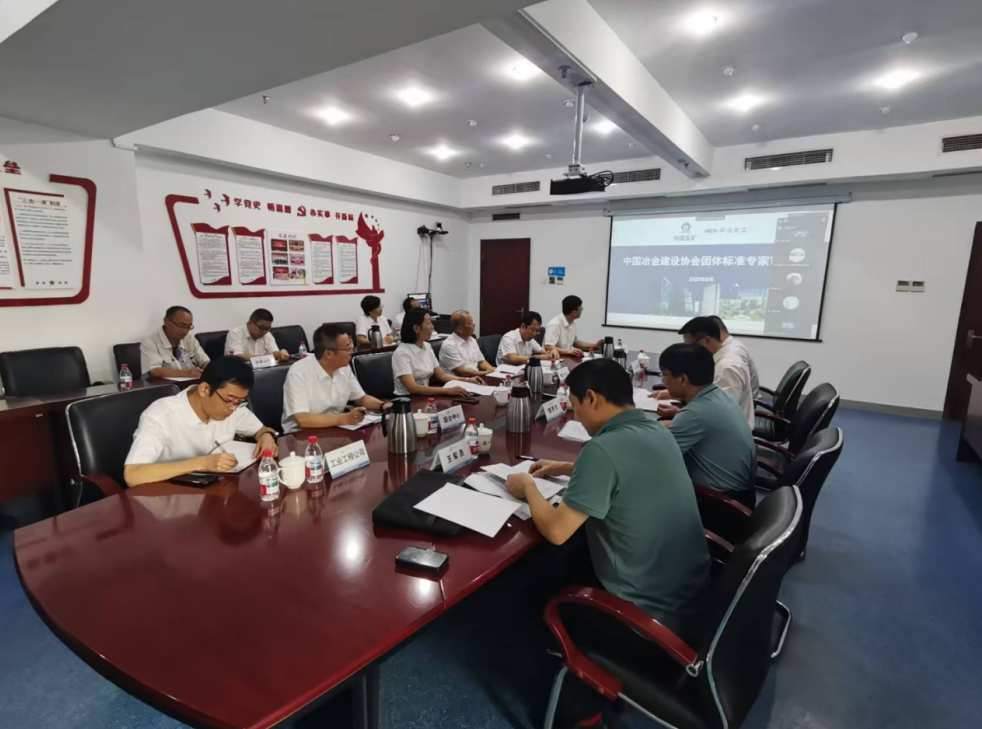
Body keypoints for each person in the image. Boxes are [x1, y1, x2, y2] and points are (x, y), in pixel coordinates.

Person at [505, 359, 709, 632]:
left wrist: (527, 486)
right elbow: (629, 471)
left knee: (548, 558)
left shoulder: (602, 449)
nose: (577, 417)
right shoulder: (659, 431)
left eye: (575, 407)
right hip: (691, 598)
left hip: (643, 615)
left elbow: (556, 531)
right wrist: (566, 467)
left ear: (591, 398)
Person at [123, 357, 278, 487]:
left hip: (214, 492)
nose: (232, 408)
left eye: (239, 402)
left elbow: (261, 430)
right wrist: (202, 463)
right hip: (168, 497)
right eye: (229, 400)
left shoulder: (232, 406)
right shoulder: (161, 415)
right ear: (204, 389)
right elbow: (132, 475)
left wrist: (266, 437)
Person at [657, 343, 756, 509]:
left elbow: (656, 458)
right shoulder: (717, 395)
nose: (663, 380)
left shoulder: (695, 413)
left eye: (664, 374)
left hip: (719, 505)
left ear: (683, 379)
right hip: (740, 495)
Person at [281, 323, 389, 433]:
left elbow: (361, 398)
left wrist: (384, 406)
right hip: (301, 434)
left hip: (336, 427)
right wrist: (345, 418)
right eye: (347, 348)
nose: (351, 352)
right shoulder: (299, 373)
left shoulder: (344, 367)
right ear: (329, 353)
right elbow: (302, 420)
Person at [655, 316, 755, 429]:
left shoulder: (726, 367)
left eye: (691, 345)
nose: (689, 351)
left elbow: (720, 415)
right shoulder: (717, 359)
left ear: (706, 341)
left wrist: (680, 413)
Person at [392, 309, 477, 397]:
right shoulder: (401, 353)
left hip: (425, 395)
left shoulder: (427, 346)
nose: (432, 327)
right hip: (408, 399)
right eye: (429, 323)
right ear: (416, 328)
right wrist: (447, 391)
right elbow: (412, 387)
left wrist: (467, 380)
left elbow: (442, 375)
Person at [140, 305, 211, 379]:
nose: (185, 330)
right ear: (166, 322)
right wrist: (187, 373)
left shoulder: (190, 339)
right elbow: (154, 371)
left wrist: (210, 370)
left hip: (192, 383)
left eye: (188, 327)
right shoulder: (150, 342)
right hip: (165, 385)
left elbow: (205, 362)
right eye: (181, 325)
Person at [709, 315, 760, 400]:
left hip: (746, 400)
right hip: (745, 396)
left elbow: (726, 403)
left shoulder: (731, 357)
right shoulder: (734, 344)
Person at [438, 310, 494, 377]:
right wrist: (487, 372)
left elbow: (481, 361)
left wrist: (492, 370)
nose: (474, 324)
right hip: (459, 380)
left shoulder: (472, 340)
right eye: (470, 323)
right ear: (460, 329)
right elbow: (463, 372)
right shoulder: (449, 345)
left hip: (475, 376)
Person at [225, 308, 290, 363]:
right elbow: (237, 357)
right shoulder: (235, 333)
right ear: (250, 323)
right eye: (261, 328)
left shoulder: (268, 335)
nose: (264, 331)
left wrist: (281, 352)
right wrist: (266, 357)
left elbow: (275, 353)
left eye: (267, 328)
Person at [496, 311, 561, 365]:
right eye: (533, 330)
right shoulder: (509, 338)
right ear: (523, 326)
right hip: (505, 372)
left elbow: (543, 352)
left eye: (537, 331)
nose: (535, 334)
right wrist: (538, 357)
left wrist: (552, 351)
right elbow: (513, 358)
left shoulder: (530, 339)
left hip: (522, 369)